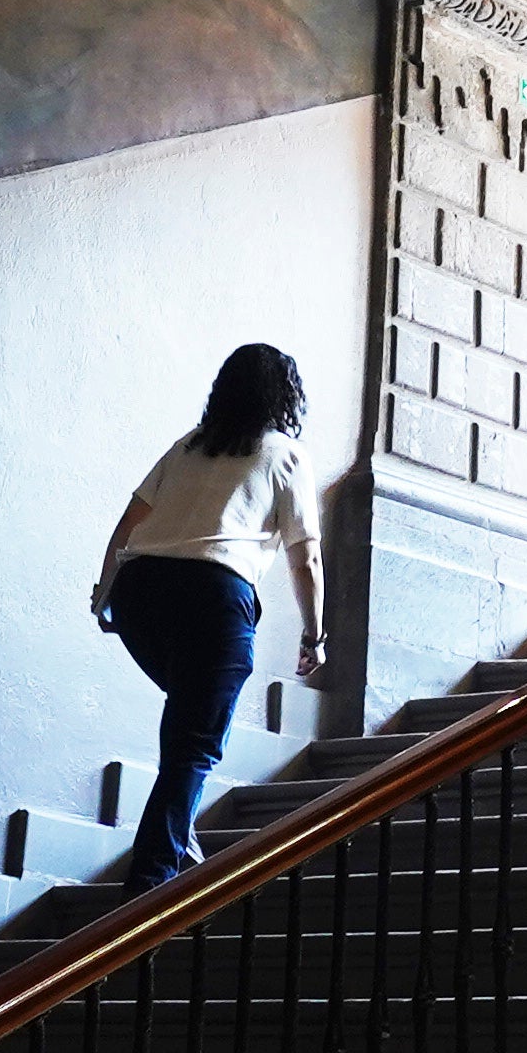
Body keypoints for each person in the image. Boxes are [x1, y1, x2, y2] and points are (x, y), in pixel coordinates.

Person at [94, 340, 327, 873]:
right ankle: (151, 883)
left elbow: (127, 525)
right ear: (285, 398)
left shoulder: (188, 446)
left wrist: (105, 591)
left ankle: (179, 833)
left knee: (188, 725)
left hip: (140, 592)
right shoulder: (286, 455)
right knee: (195, 742)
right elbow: (306, 560)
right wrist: (314, 636)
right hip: (213, 598)